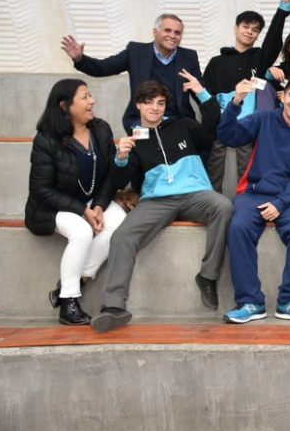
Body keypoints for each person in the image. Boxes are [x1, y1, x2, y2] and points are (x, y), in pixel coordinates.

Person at [90, 80, 233, 333]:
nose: (155, 108)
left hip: (194, 193)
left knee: (223, 206)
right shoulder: (134, 139)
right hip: (156, 200)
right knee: (122, 236)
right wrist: (121, 157)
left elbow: (212, 126)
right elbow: (120, 180)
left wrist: (202, 92)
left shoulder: (183, 125)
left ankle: (208, 276)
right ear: (138, 105)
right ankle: (114, 307)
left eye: (160, 103)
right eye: (148, 103)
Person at [217, 75, 290, 324]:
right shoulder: (263, 119)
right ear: (283, 96)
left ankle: (289, 301)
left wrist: (281, 203)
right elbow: (228, 136)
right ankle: (250, 302)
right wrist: (236, 102)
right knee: (239, 227)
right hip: (255, 193)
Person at [25, 80, 126, 325]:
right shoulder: (46, 140)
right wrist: (83, 210)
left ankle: (73, 283)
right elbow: (41, 190)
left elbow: (111, 176)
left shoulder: (101, 129)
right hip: (52, 207)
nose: (92, 101)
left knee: (119, 223)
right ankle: (69, 303)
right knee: (82, 231)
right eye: (85, 97)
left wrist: (99, 205)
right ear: (65, 106)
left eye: (91, 95)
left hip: (91, 201)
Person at [202, 0, 290, 192]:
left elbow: (273, 42)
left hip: (249, 125)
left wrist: (283, 9)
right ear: (236, 28)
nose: (250, 32)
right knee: (214, 169)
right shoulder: (217, 62)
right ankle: (211, 203)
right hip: (221, 123)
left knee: (249, 171)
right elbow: (207, 95)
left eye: (255, 30)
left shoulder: (260, 58)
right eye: (246, 27)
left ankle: (247, 201)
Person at [61, 14, 204, 133]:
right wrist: (80, 59)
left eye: (177, 32)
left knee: (191, 150)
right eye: (167, 30)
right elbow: (104, 68)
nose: (172, 36)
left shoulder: (189, 57)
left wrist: (209, 104)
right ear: (155, 32)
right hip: (140, 122)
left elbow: (201, 92)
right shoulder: (136, 52)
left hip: (178, 122)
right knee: (144, 150)